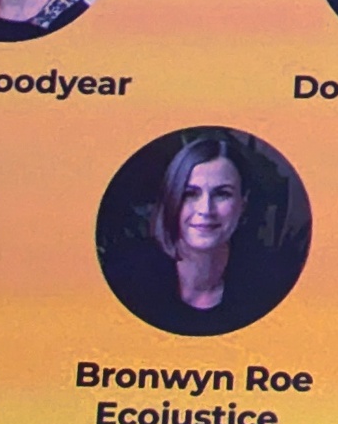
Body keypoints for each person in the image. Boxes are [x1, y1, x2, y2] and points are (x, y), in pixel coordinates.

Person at [99, 134, 304, 337]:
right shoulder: (125, 280)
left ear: (243, 203)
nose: (206, 209)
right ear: (171, 198)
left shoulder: (271, 285)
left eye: (222, 194)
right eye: (190, 194)